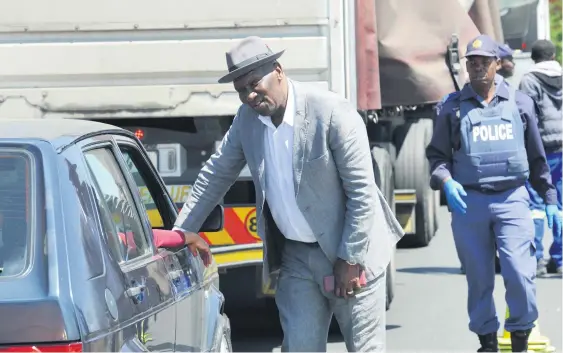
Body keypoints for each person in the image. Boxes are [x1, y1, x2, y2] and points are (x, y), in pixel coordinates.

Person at [173, 36, 404, 352]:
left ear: (278, 70)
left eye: (255, 82)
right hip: (297, 257)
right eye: (241, 89)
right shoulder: (247, 120)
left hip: (351, 251)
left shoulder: (331, 112)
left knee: (366, 348)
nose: (249, 95)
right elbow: (216, 174)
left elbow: (362, 192)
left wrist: (350, 257)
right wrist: (179, 234)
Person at [426, 34, 560, 352]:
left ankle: (520, 339)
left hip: (512, 198)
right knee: (479, 277)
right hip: (470, 203)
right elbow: (436, 157)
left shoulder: (520, 103)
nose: (477, 68)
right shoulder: (452, 108)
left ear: (497, 64)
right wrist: (446, 180)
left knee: (520, 273)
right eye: (472, 62)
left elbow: (537, 157)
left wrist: (551, 199)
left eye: (484, 62)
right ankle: (487, 341)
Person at [519, 39, 563, 275]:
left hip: (540, 152)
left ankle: (537, 260)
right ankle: (561, 258)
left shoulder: (528, 81)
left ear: (533, 58)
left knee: (536, 204)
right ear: (554, 56)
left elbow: (525, 117)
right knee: (561, 204)